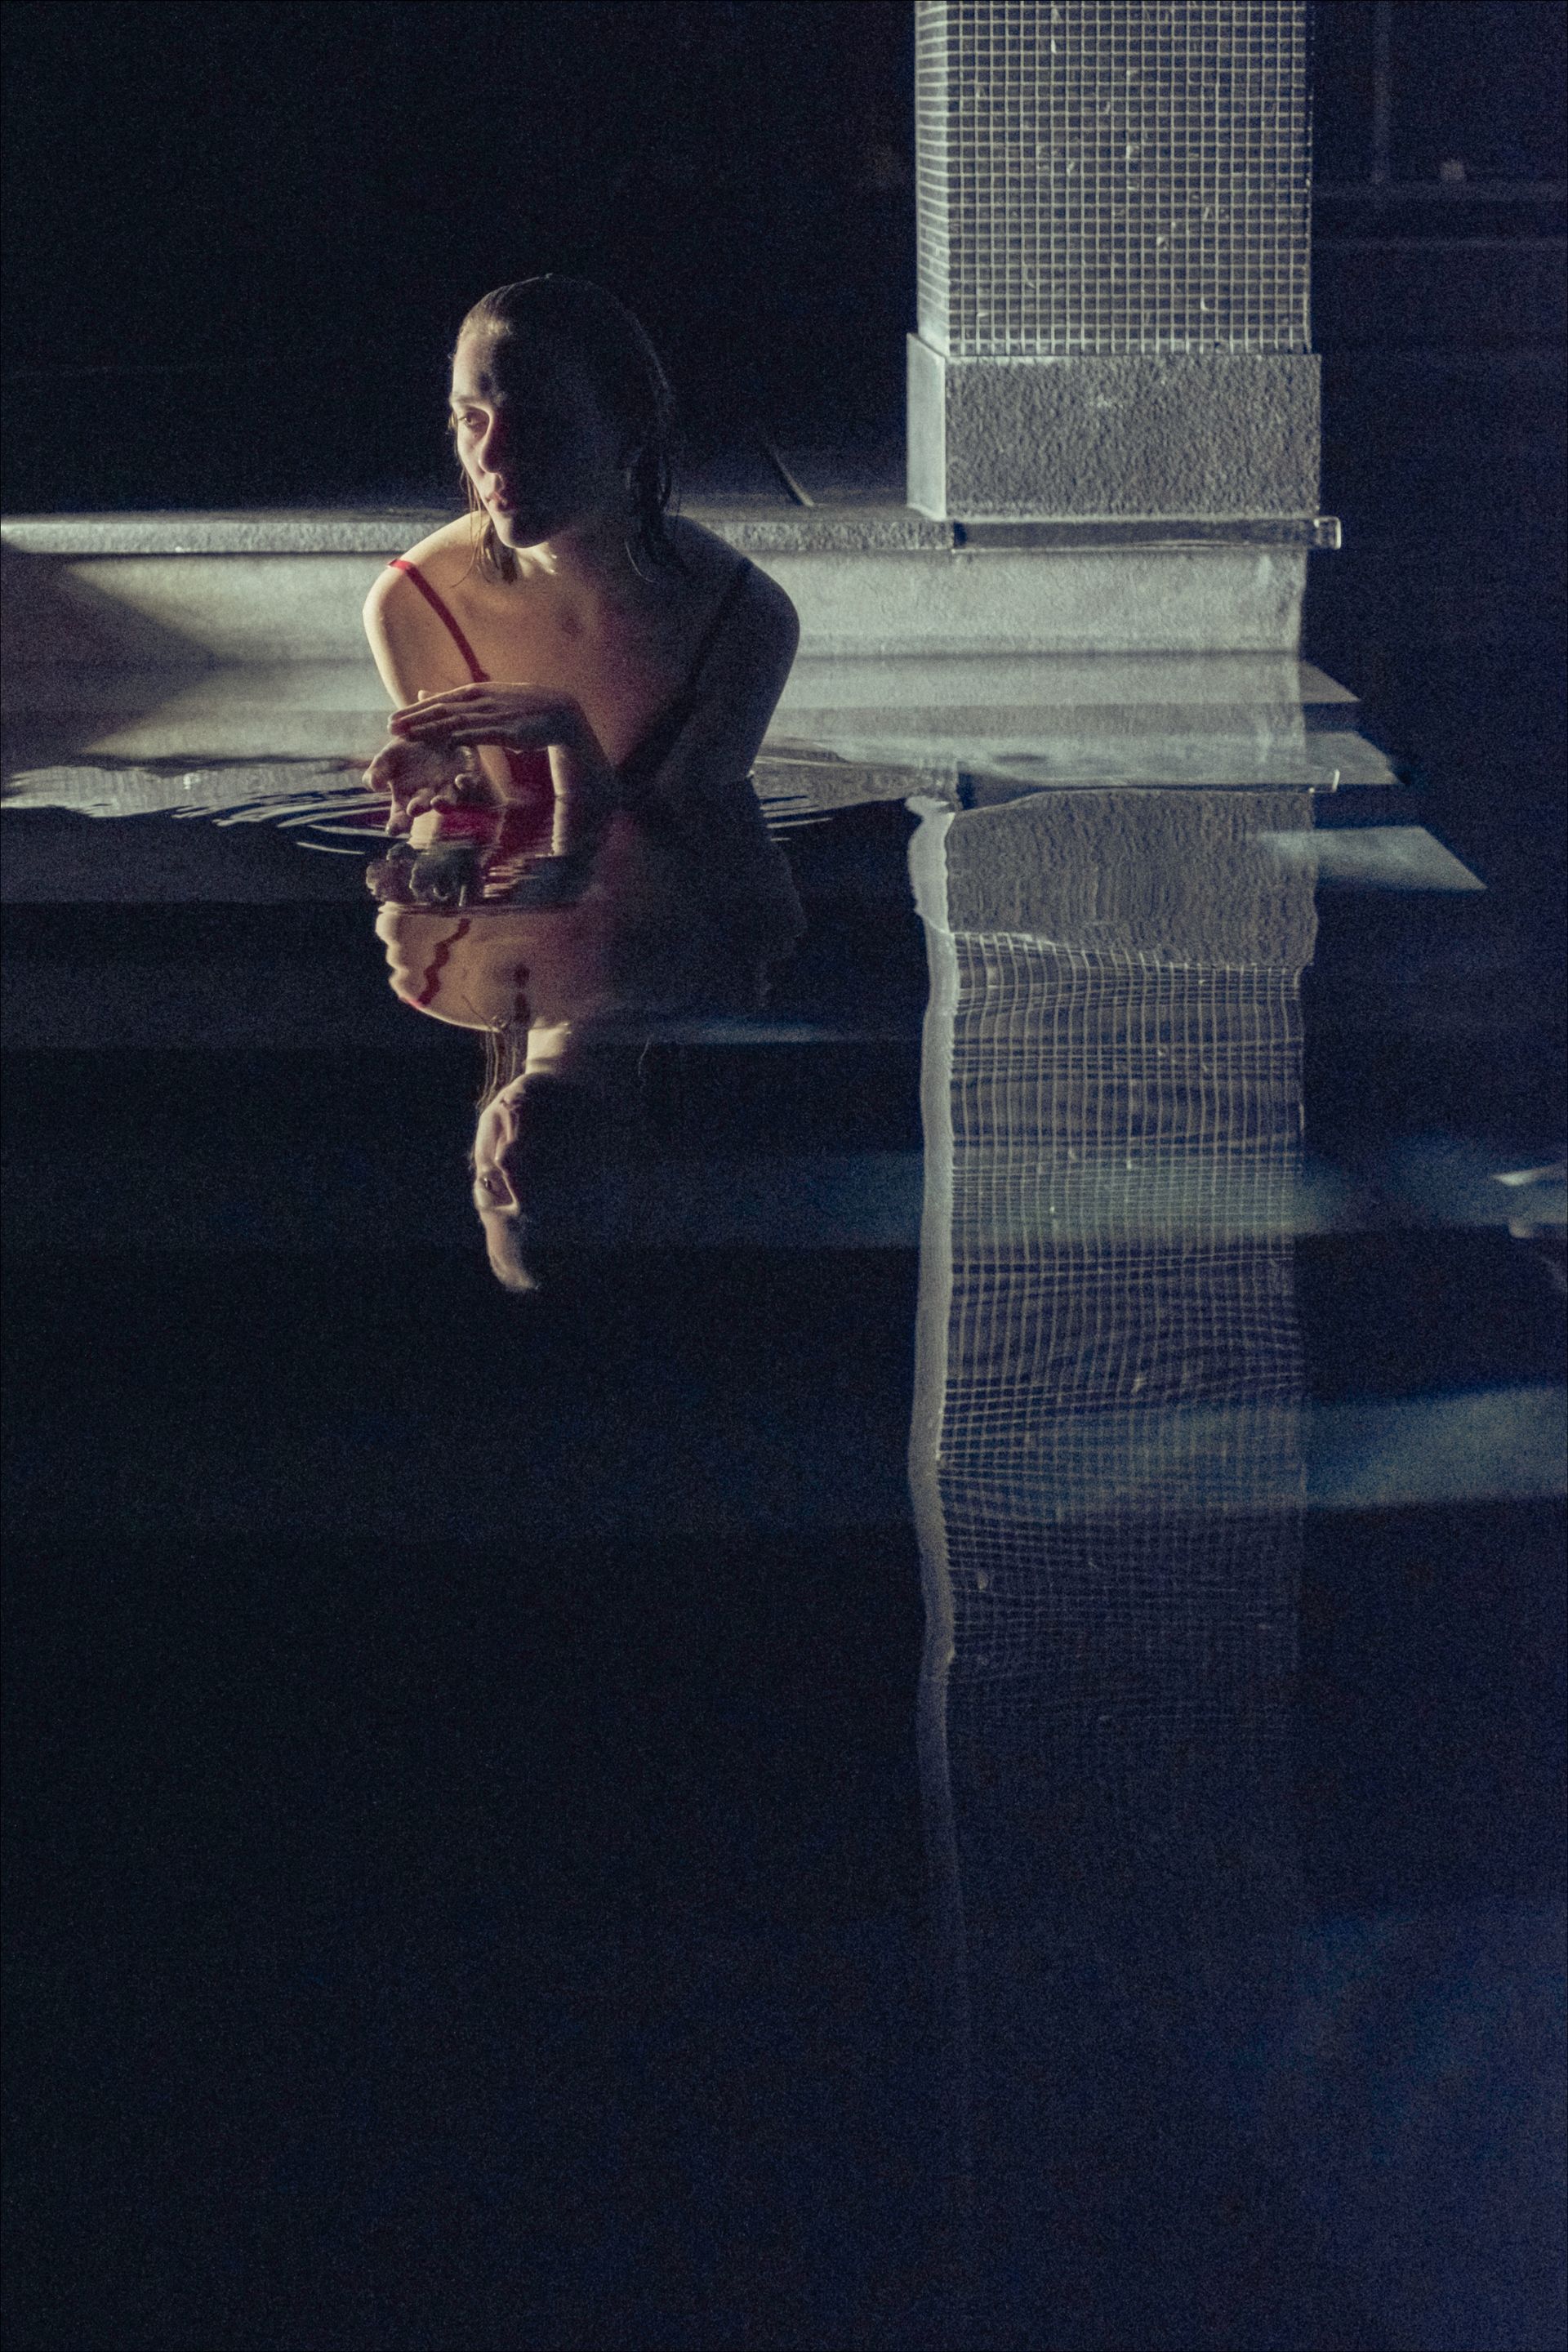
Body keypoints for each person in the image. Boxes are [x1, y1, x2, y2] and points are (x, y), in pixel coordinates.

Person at [359, 277, 806, 1287]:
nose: (494, 459)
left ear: (629, 428)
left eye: (491, 1195)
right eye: (472, 420)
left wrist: (556, 745)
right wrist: (430, 805)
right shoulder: (416, 603)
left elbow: (687, 826)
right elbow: (526, 822)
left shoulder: (741, 621)